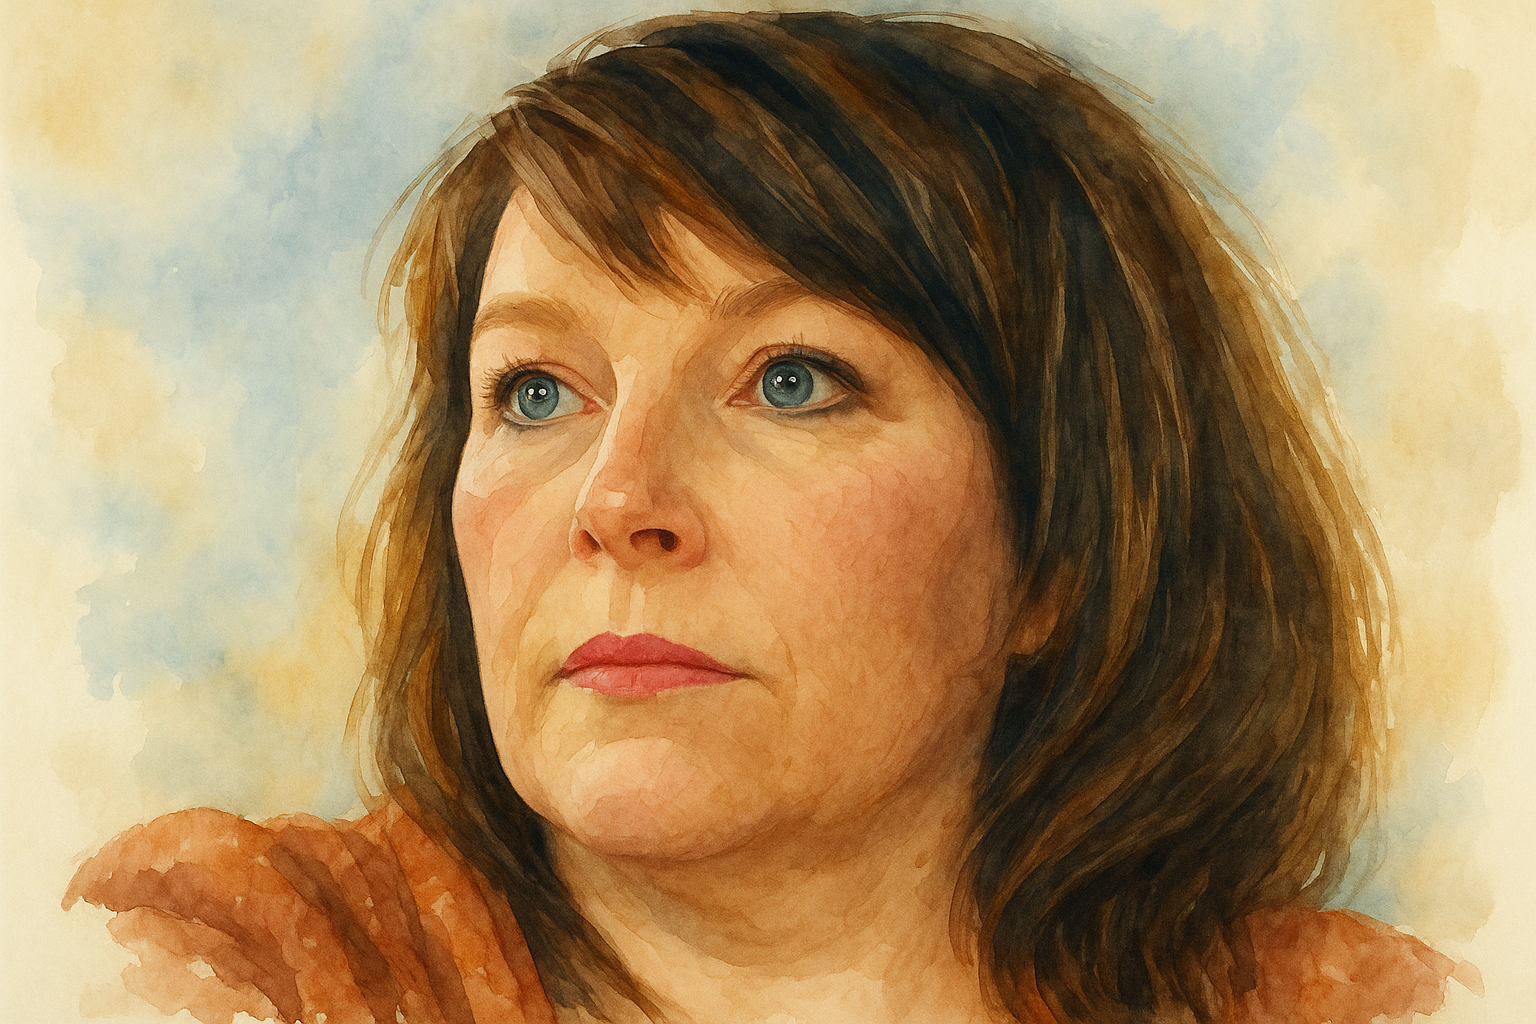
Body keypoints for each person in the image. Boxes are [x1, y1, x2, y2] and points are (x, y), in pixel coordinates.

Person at [66, 11, 1469, 1024]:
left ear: (1062, 542)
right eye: (537, 392)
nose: (618, 503)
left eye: (791, 381)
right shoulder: (220, 963)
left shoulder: (1350, 1005)